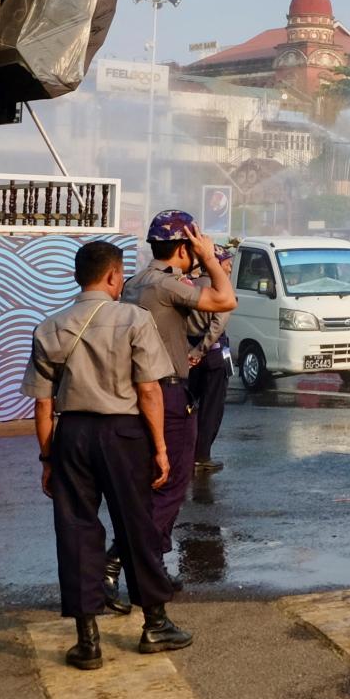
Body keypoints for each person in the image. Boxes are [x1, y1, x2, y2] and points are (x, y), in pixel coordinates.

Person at [25, 240, 189, 668]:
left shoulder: (49, 327)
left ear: (80, 276)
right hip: (123, 433)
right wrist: (160, 448)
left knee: (76, 531)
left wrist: (48, 460)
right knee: (136, 525)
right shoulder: (134, 318)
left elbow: (43, 405)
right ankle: (155, 624)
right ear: (115, 276)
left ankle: (87, 639)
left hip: (72, 434)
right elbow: (149, 389)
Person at [118, 210, 236, 607]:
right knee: (171, 486)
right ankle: (121, 558)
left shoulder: (136, 283)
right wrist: (210, 262)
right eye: (194, 244)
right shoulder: (165, 285)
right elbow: (226, 300)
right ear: (184, 247)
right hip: (166, 392)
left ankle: (151, 564)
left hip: (144, 390)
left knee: (155, 485)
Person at [186, 245, 233, 474]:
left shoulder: (187, 285)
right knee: (211, 407)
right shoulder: (219, 288)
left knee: (189, 404)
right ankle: (201, 455)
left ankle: (185, 451)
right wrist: (201, 350)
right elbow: (217, 325)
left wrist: (191, 351)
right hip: (211, 354)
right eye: (226, 261)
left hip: (188, 354)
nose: (229, 266)